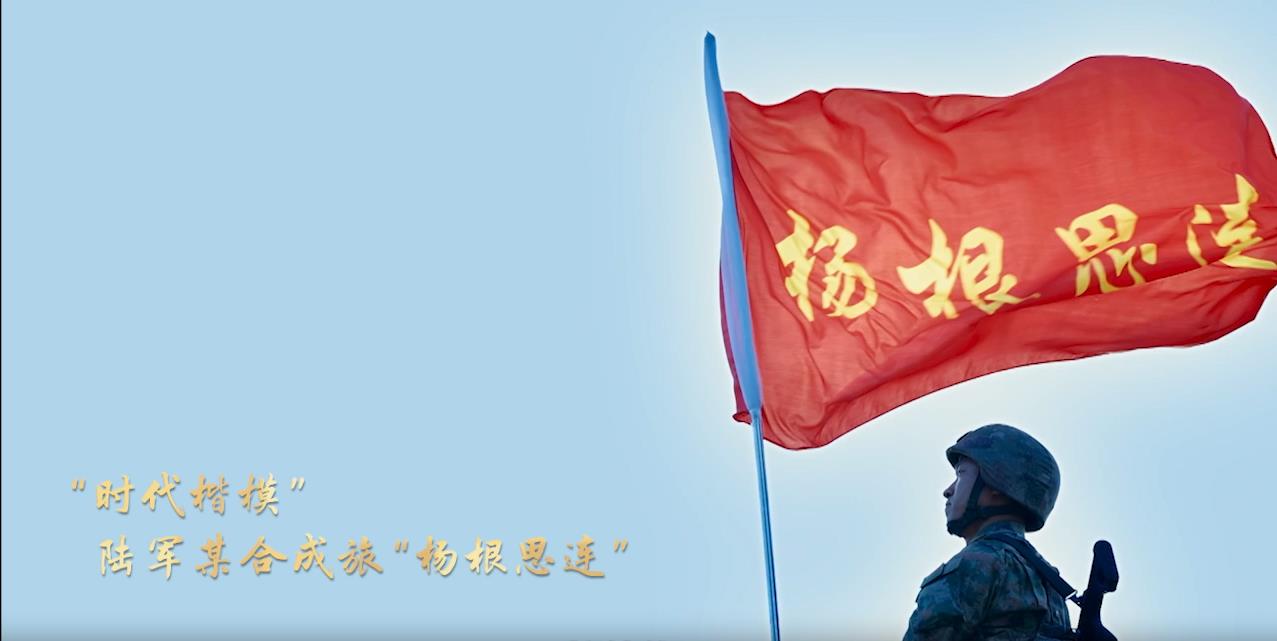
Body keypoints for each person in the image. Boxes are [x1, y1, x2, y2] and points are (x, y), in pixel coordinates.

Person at [903, 424, 1074, 641]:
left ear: (996, 484)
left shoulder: (976, 563)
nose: (948, 491)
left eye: (961, 475)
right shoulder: (1051, 582)